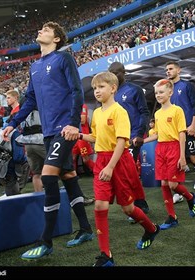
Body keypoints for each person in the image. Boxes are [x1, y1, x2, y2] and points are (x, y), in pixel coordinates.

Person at [2, 21, 93, 259]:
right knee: (68, 177)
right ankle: (85, 229)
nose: (40, 30)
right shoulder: (34, 67)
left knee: (47, 176)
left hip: (65, 129)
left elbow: (76, 91)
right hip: (49, 132)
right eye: (40, 28)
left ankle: (46, 241)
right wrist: (13, 123)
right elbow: (30, 100)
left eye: (46, 29)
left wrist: (74, 122)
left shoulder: (64, 59)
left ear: (56, 39)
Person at [81, 72, 160, 266]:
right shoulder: (97, 113)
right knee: (100, 205)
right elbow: (96, 138)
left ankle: (151, 229)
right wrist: (79, 136)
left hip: (119, 162)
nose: (97, 91)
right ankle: (105, 255)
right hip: (102, 161)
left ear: (113, 88)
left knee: (128, 208)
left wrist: (110, 166)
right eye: (95, 88)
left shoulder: (119, 111)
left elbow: (121, 141)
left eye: (101, 87)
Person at [144, 79, 195, 230]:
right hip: (161, 148)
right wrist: (142, 141)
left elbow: (182, 134)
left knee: (173, 184)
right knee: (164, 184)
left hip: (174, 148)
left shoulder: (177, 110)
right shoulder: (158, 113)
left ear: (170, 92)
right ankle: (172, 217)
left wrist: (182, 156)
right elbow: (158, 135)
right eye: (156, 93)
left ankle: (190, 197)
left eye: (161, 92)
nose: (158, 95)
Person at [108, 62, 150, 214]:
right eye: (111, 74)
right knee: (124, 172)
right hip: (117, 140)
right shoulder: (111, 94)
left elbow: (144, 112)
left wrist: (139, 134)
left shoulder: (134, 90)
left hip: (132, 137)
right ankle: (136, 203)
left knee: (128, 171)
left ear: (123, 72)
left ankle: (139, 205)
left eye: (116, 73)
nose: (114, 77)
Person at [165, 61, 195, 202]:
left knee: (194, 159)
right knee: (176, 160)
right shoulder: (166, 88)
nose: (168, 71)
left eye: (171, 69)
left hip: (188, 128)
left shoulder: (187, 86)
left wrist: (193, 125)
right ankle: (178, 192)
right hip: (174, 131)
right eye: (166, 70)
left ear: (178, 70)